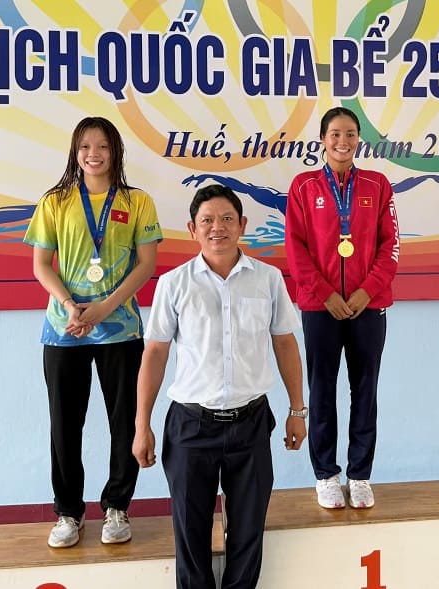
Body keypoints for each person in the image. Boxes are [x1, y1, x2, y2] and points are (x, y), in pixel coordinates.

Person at [132, 184, 307, 589]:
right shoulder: (174, 284)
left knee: (247, 535)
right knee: (191, 538)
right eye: (208, 221)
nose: (218, 228)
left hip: (250, 423)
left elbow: (285, 343)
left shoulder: (268, 278)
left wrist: (298, 411)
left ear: (242, 225)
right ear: (192, 228)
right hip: (190, 427)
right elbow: (155, 355)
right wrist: (143, 425)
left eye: (228, 219)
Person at [23, 116, 162, 548]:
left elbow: (146, 265)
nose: (93, 153)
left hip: (119, 328)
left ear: (116, 151)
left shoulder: (137, 201)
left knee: (124, 422)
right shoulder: (56, 201)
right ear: (75, 152)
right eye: (85, 146)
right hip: (65, 329)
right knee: (65, 425)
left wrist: (103, 308)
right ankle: (68, 513)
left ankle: (117, 508)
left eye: (102, 146)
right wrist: (71, 307)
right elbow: (41, 265)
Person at [285, 107, 399, 510]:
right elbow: (295, 249)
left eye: (351, 134)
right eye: (335, 134)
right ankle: (326, 475)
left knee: (365, 391)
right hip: (321, 308)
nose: (343, 141)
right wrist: (326, 294)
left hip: (369, 306)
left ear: (359, 139)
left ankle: (360, 474)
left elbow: (391, 246)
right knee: (323, 390)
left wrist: (366, 292)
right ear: (322, 139)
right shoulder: (303, 186)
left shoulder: (378, 184)